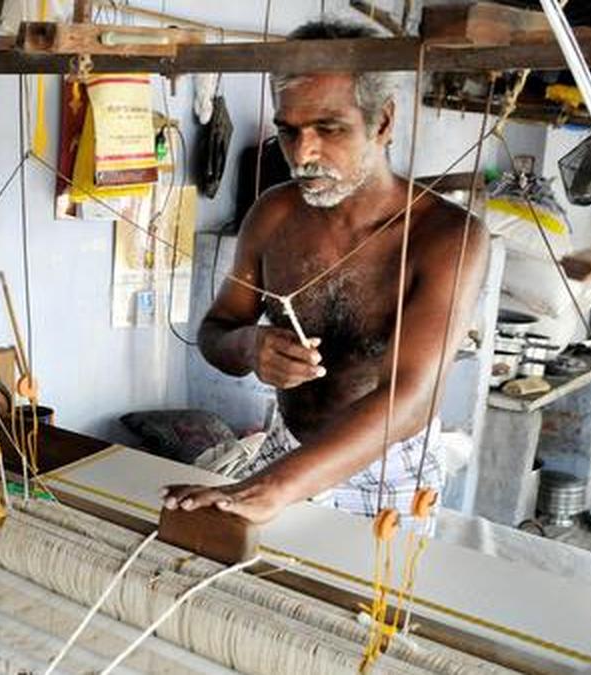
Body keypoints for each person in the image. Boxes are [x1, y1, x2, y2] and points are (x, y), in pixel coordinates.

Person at [165, 21, 488, 526]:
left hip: (389, 470)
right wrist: (250, 346)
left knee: (377, 582)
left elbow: (409, 400)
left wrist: (276, 487)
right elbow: (215, 332)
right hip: (286, 447)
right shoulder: (273, 216)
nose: (302, 155)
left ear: (383, 122)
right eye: (288, 131)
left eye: (329, 128)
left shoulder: (446, 236)